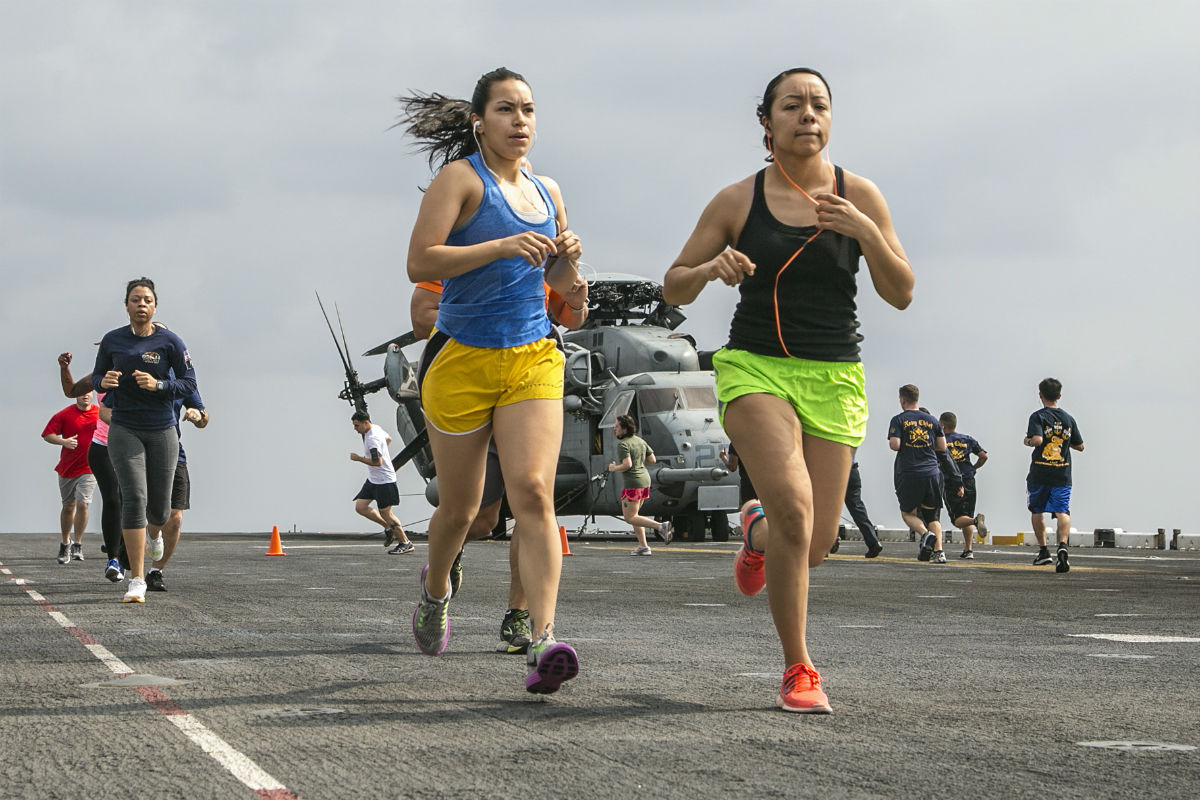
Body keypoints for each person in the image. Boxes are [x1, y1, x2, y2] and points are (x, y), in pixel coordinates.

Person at [663, 67, 913, 713]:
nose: (808, 115)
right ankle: (799, 669)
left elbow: (902, 292)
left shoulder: (860, 194)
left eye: (819, 105)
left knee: (816, 544)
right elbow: (674, 283)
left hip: (833, 373)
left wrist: (865, 231)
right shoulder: (736, 200)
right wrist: (709, 268)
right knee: (796, 514)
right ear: (767, 123)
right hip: (756, 368)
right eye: (793, 105)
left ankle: (756, 537)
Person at [398, 67, 586, 693]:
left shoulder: (547, 190)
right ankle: (435, 590)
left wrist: (572, 275)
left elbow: (559, 283)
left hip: (532, 355)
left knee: (533, 491)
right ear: (480, 120)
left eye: (528, 109)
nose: (519, 120)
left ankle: (543, 638)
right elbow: (420, 261)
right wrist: (502, 246)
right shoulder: (461, 179)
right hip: (462, 357)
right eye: (506, 109)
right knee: (462, 509)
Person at [410, 274, 589, 655]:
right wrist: (490, 319)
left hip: (527, 377)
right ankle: (437, 587)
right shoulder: (460, 243)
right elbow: (422, 316)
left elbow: (570, 317)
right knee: (473, 518)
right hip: (467, 375)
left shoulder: (546, 243)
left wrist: (575, 301)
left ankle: (531, 626)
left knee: (534, 496)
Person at [92, 278, 197, 604]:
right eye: (135, 299)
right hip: (125, 428)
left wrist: (159, 386)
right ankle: (136, 579)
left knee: (161, 510)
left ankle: (154, 534)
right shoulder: (113, 340)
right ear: (126, 305)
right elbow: (96, 376)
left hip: (162, 430)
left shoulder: (170, 342)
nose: (141, 304)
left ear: (155, 306)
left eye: (147, 300)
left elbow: (189, 383)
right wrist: (104, 381)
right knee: (134, 499)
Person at [144, 385, 210, 591]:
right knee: (142, 512)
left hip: (173, 453)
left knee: (175, 518)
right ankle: (141, 539)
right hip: (138, 452)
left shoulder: (183, 379)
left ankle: (155, 571)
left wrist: (197, 416)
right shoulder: (136, 372)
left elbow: (204, 418)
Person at [1024, 377, 1084, 573]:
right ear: (1059, 395)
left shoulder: (1037, 416)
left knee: (1037, 510)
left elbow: (1038, 440)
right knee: (1062, 511)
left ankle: (1043, 551)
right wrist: (1064, 442)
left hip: (1040, 473)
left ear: (1040, 395)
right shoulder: (1068, 419)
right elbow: (1080, 446)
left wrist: (1027, 441)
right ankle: (1063, 546)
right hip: (1062, 473)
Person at [889, 385, 950, 564]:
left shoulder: (898, 419)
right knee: (932, 516)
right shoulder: (932, 420)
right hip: (932, 472)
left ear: (902, 399)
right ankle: (939, 552)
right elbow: (942, 446)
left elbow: (895, 445)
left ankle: (925, 534)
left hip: (910, 472)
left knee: (907, 512)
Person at [41, 392, 99, 564]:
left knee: (83, 503)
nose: (85, 396)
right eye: (81, 393)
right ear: (75, 396)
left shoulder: (100, 413)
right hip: (67, 468)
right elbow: (47, 434)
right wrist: (64, 441)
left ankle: (78, 544)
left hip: (89, 468)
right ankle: (66, 543)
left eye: (88, 392)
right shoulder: (65, 414)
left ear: (93, 394)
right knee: (68, 507)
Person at [607, 414, 672, 555]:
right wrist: (639, 465)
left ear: (624, 429)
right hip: (645, 480)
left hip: (633, 483)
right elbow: (652, 460)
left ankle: (661, 526)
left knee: (629, 517)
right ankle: (643, 546)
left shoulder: (623, 444)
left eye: (617, 426)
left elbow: (627, 465)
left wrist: (614, 468)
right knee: (635, 516)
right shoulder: (640, 441)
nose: (614, 428)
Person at [349, 410, 413, 554]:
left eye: (357, 425)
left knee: (386, 513)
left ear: (366, 423)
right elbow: (388, 439)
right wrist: (382, 451)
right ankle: (388, 527)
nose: (355, 429)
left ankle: (405, 542)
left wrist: (359, 458)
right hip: (373, 480)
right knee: (360, 507)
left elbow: (377, 462)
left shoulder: (373, 439)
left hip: (384, 481)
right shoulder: (376, 428)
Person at [939, 411, 989, 559]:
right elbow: (983, 456)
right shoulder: (967, 439)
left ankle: (975, 521)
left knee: (957, 519)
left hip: (951, 481)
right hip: (969, 479)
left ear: (942, 425)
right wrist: (974, 468)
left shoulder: (941, 441)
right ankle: (968, 550)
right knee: (966, 514)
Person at [843, 460, 883, 558]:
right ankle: (873, 542)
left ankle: (829, 542)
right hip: (852, 470)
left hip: (834, 471)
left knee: (827, 509)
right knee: (857, 509)